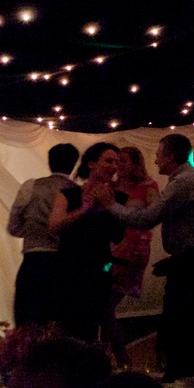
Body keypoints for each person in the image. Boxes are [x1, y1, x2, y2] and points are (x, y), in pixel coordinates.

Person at [107, 133, 194, 381]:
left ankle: (179, 380)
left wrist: (109, 204)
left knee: (180, 325)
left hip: (192, 263)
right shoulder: (193, 178)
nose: (156, 160)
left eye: (159, 155)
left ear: (171, 156)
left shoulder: (183, 182)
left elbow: (146, 219)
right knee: (186, 324)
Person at [49, 141, 124, 342]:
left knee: (93, 323)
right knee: (67, 325)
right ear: (91, 164)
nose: (114, 166)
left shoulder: (118, 199)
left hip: (99, 269)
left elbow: (118, 236)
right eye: (109, 161)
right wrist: (84, 210)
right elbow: (54, 227)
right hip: (69, 267)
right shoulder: (69, 194)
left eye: (117, 162)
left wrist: (108, 207)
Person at [8, 142, 79, 327]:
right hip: (65, 262)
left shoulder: (31, 187)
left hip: (34, 259)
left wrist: (33, 232)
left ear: (49, 162)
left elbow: (13, 227)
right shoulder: (78, 192)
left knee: (27, 319)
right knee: (57, 320)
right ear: (74, 164)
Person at [107, 147, 160, 363]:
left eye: (123, 161)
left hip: (132, 252)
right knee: (103, 304)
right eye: (116, 161)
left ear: (136, 163)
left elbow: (154, 216)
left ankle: (121, 357)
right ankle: (113, 357)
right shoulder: (111, 186)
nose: (118, 165)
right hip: (108, 250)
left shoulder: (148, 186)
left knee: (106, 305)